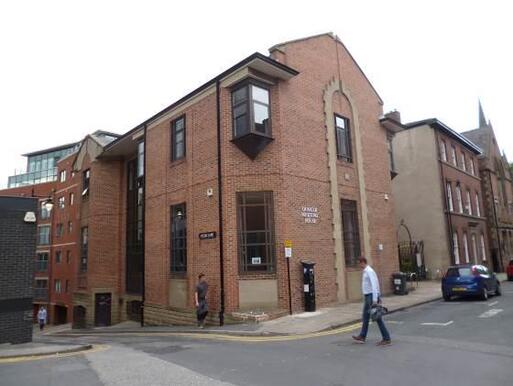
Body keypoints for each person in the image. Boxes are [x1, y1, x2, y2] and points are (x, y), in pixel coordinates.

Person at [352, 257, 391, 346]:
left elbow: (374, 284)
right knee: (365, 317)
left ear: (362, 262)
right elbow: (376, 283)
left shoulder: (369, 271)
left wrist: (375, 299)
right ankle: (362, 336)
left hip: (370, 297)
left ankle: (386, 338)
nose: (359, 265)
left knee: (377, 318)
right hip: (368, 296)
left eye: (359, 263)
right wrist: (379, 296)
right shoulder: (366, 271)